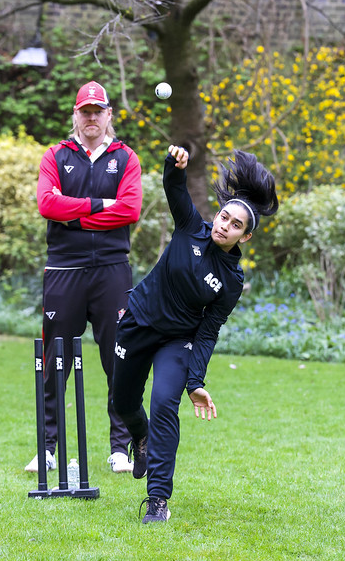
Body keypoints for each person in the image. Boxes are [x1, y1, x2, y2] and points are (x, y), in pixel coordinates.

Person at [112, 144, 278, 522]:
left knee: (164, 404)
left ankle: (157, 501)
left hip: (176, 341)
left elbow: (208, 332)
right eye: (224, 217)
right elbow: (175, 189)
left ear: (245, 237)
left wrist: (196, 381)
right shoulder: (191, 228)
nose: (225, 226)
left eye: (236, 225)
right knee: (123, 403)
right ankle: (140, 436)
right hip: (138, 322)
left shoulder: (231, 281)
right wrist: (175, 164)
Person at [25, 81, 142, 475]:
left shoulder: (125, 158)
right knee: (54, 359)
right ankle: (47, 449)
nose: (91, 118)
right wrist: (97, 205)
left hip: (111, 270)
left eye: (98, 111)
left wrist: (71, 212)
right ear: (75, 115)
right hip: (64, 270)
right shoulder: (55, 155)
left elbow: (129, 211)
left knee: (119, 358)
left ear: (109, 115)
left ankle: (120, 448)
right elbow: (46, 204)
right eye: (85, 111)